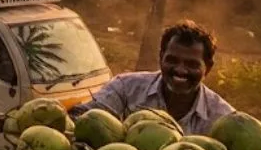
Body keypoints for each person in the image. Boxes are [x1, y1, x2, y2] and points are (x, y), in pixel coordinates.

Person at [68, 20, 234, 135]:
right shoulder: (126, 88)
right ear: (161, 57)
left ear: (208, 68)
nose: (180, 70)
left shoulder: (222, 119)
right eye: (172, 60)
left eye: (191, 64)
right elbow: (82, 117)